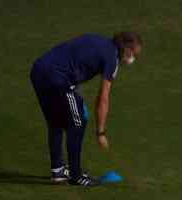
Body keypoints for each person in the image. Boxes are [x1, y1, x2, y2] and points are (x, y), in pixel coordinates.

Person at [30, 32, 142, 187]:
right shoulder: (112, 58)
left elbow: (75, 60)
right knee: (78, 121)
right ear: (127, 49)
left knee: (56, 121)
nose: (132, 59)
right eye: (134, 54)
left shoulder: (98, 40)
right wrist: (100, 132)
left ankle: (58, 171)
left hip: (38, 71)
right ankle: (76, 176)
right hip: (57, 78)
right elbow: (103, 98)